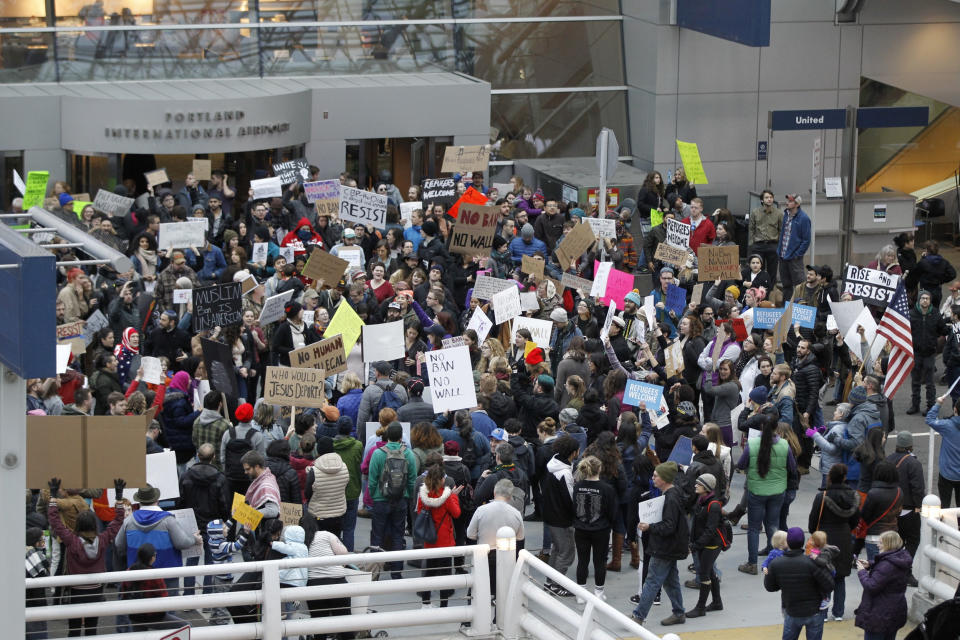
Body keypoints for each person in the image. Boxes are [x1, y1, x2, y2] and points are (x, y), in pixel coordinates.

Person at [46, 477, 125, 636]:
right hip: (96, 591)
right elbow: (118, 521)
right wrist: (118, 496)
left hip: (74, 591)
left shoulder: (72, 541)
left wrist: (53, 495)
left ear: (79, 526)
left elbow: (55, 522)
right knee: (91, 629)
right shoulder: (103, 540)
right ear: (94, 525)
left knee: (73, 630)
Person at [631, 461, 688, 626]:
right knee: (671, 581)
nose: (653, 478)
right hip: (672, 546)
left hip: (664, 547)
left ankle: (638, 616)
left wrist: (650, 526)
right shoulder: (674, 493)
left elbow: (669, 526)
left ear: (665, 478)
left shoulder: (670, 499)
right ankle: (679, 612)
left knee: (652, 581)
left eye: (656, 476)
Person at [738, 415, 795, 575]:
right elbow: (792, 467)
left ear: (762, 427)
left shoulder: (753, 444)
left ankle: (752, 563)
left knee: (754, 528)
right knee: (773, 524)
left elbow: (742, 464)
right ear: (777, 428)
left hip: (756, 490)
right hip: (778, 491)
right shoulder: (784, 445)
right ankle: (775, 557)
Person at [807, 463, 860, 621]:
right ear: (844, 477)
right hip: (844, 537)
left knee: (823, 575)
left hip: (824, 537)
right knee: (840, 577)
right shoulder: (853, 496)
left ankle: (823, 612)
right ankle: (838, 612)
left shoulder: (822, 496)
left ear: (830, 477)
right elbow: (855, 519)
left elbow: (813, 520)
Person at [763, 527, 834, 640]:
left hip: (791, 610)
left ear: (787, 543)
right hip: (814, 611)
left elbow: (770, 587)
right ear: (803, 542)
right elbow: (829, 584)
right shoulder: (812, 562)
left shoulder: (776, 563)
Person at [368, 422, 418, 579]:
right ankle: (396, 572)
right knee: (398, 535)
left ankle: (375, 572)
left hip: (380, 500)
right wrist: (408, 497)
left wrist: (374, 496)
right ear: (401, 436)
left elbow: (372, 480)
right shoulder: (408, 454)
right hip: (400, 500)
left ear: (387, 435)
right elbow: (412, 480)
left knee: (377, 536)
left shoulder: (377, 453)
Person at [571, 455, 619, 602]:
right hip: (601, 529)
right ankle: (598, 592)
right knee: (600, 561)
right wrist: (609, 524)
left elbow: (575, 507)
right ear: (600, 469)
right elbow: (612, 511)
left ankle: (581, 593)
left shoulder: (577, 486)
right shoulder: (607, 489)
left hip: (581, 529)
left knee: (582, 560)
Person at [466, 478, 525, 595]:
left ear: (494, 492)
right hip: (507, 559)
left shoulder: (481, 510)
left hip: (483, 557)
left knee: (479, 594)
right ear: (510, 496)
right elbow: (520, 540)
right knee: (502, 595)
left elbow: (470, 534)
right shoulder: (516, 514)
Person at [416, 462, 462, 608]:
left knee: (429, 572)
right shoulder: (446, 496)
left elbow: (418, 511)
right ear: (442, 479)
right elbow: (456, 513)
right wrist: (454, 497)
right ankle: (443, 605)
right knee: (446, 575)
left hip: (430, 538)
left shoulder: (423, 495)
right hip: (445, 540)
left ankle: (426, 603)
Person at [854, 530, 913, 640]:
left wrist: (862, 572)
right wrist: (871, 564)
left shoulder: (886, 566)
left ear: (888, 545)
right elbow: (887, 567)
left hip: (879, 614)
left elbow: (871, 586)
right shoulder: (901, 558)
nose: (877, 545)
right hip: (895, 610)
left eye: (880, 543)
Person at [121, 544, 191, 631]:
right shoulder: (154, 575)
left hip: (134, 615)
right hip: (154, 617)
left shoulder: (129, 571)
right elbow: (163, 597)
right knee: (186, 627)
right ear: (152, 557)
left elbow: (124, 594)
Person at [885, 431, 925, 586]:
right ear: (911, 445)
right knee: (913, 540)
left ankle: (894, 570)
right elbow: (918, 488)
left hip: (891, 508)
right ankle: (905, 570)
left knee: (897, 541)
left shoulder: (888, 460)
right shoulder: (913, 463)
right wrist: (918, 506)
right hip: (908, 509)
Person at [906, 290, 948, 415]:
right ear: (919, 300)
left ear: (930, 301)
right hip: (916, 353)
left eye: (927, 298)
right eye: (923, 298)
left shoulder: (935, 314)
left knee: (930, 383)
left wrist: (934, 339)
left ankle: (930, 406)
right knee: (915, 381)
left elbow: (943, 330)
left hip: (930, 353)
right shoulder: (912, 314)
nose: (925, 300)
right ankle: (915, 405)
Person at [925, 394, 960, 507]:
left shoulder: (947, 425)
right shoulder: (947, 425)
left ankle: (944, 524)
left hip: (946, 474)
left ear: (955, 409)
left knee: (944, 506)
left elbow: (930, 419)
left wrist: (938, 404)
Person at [777, 194, 811, 294]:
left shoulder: (804, 218)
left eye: (790, 201)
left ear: (797, 204)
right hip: (782, 256)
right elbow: (783, 234)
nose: (787, 203)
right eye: (787, 200)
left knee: (799, 284)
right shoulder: (786, 215)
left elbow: (806, 240)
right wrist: (779, 251)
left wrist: (797, 255)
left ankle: (801, 306)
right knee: (786, 284)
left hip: (794, 258)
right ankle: (787, 307)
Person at [749, 190, 781, 282]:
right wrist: (752, 244)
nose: (769, 199)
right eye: (767, 197)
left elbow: (781, 229)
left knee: (772, 270)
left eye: (771, 197)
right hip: (758, 244)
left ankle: (770, 291)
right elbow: (751, 228)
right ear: (762, 200)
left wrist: (778, 245)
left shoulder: (778, 213)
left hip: (772, 244)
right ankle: (758, 289)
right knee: (758, 269)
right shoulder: (755, 212)